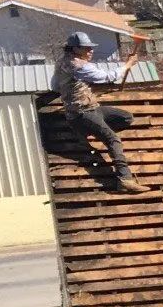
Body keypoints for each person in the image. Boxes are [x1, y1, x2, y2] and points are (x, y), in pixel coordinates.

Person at [52, 31, 150, 194]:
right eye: (87, 48)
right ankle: (125, 180)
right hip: (83, 113)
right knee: (113, 140)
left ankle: (96, 131)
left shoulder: (61, 62)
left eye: (91, 48)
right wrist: (128, 65)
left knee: (126, 118)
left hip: (88, 110)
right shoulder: (80, 65)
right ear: (75, 49)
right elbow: (108, 77)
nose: (91, 51)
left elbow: (55, 86)